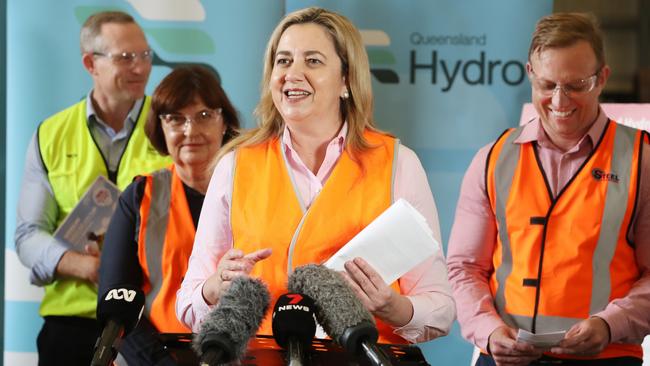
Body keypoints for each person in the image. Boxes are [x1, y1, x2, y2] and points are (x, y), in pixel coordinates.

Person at [176, 6, 455, 345]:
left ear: (346, 80)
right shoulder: (235, 164)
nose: (292, 74)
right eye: (283, 61)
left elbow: (440, 310)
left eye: (312, 61)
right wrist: (213, 289)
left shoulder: (398, 164)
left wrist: (392, 306)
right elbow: (188, 304)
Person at [447, 12, 650, 366]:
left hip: (607, 356)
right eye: (547, 85)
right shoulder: (492, 159)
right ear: (529, 74)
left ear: (602, 78)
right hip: (503, 357)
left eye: (575, 85)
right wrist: (489, 331)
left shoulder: (642, 161)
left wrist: (609, 325)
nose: (559, 101)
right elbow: (464, 268)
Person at [14, 11, 171, 365]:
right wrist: (84, 267)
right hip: (71, 324)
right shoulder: (51, 134)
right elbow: (27, 235)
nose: (140, 68)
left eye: (145, 56)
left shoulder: (170, 125)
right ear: (90, 63)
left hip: (149, 321)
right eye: (125, 58)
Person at [98, 65, 240, 365]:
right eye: (175, 118)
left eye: (203, 116)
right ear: (160, 127)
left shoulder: (254, 190)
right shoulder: (139, 197)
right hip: (155, 356)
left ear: (224, 121)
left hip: (242, 354)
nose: (190, 131)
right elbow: (115, 298)